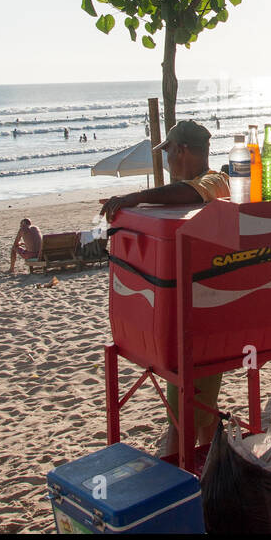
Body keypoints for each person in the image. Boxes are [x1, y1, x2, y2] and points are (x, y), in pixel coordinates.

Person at [101, 120, 229, 455]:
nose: (167, 158)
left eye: (168, 150)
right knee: (199, 413)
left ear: (182, 150)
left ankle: (187, 482)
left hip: (204, 313)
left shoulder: (215, 179)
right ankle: (209, 476)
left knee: (182, 417)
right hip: (191, 308)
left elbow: (192, 192)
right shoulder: (193, 186)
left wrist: (137, 196)